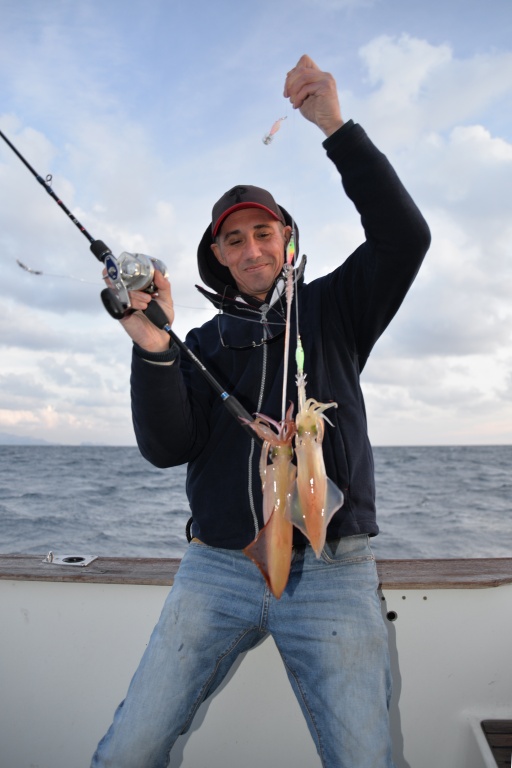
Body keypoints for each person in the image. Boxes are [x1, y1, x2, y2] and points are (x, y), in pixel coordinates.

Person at [91, 55, 431, 768]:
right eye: (235, 239)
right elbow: (166, 445)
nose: (252, 249)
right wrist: (153, 345)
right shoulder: (204, 343)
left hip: (333, 570)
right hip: (218, 568)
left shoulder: (336, 308)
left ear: (287, 240)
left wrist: (335, 127)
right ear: (217, 255)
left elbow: (406, 238)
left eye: (264, 233)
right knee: (128, 751)